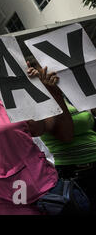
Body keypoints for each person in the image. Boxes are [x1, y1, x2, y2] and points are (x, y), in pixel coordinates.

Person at [0, 64, 73, 215]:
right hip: (5, 199)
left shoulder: (6, 103)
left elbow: (38, 130)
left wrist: (22, 89)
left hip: (45, 187)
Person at [27, 57, 96, 214]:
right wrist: (52, 92)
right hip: (72, 173)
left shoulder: (71, 92)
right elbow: (65, 135)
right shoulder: (37, 100)